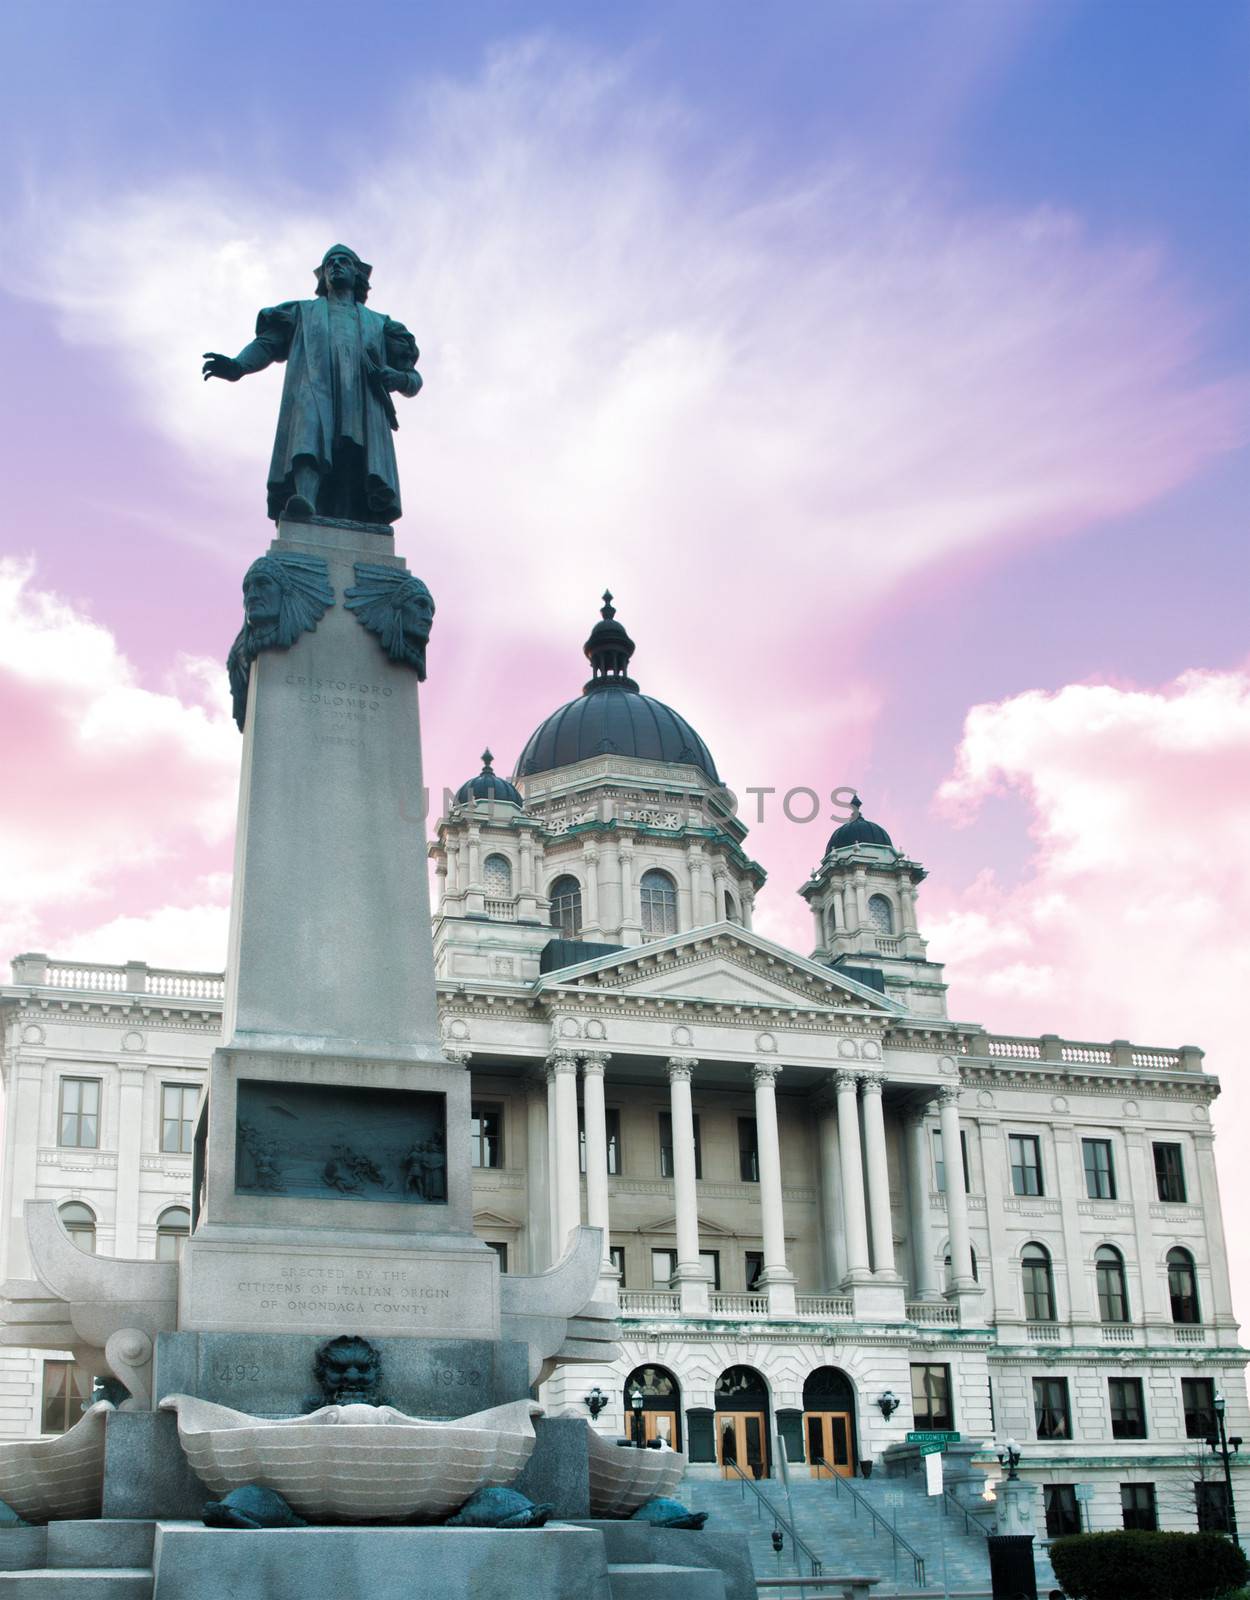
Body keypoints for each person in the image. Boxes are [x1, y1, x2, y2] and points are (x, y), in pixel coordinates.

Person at [203, 245, 421, 525]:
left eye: (344, 262)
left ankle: (361, 512)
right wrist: (238, 365)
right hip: (316, 388)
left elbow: (413, 379)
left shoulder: (380, 324)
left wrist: (398, 378)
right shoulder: (301, 312)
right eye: (330, 263)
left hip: (362, 400)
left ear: (358, 275)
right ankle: (304, 498)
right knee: (310, 429)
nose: (336, 266)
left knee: (356, 450)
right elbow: (267, 345)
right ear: (323, 276)